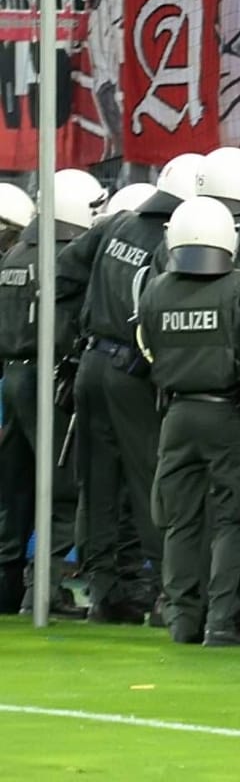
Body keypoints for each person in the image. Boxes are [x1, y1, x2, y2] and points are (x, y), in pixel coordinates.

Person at [135, 196, 240, 647]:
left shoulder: (156, 290)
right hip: (229, 415)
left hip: (177, 415)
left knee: (181, 519)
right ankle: (224, 621)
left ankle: (183, 620)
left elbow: (146, 345)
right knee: (236, 517)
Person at [54, 154, 205, 626]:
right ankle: (168, 593)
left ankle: (104, 593)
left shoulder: (115, 225)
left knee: (96, 486)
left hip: (91, 365)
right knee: (151, 483)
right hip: (134, 372)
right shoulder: (170, 241)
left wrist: (81, 329)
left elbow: (61, 273)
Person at [0, 169, 107, 614]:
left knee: (16, 487)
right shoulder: (65, 259)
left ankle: (8, 585)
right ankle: (42, 587)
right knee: (64, 488)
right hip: (49, 379)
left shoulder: (13, 256)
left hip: (12, 377)